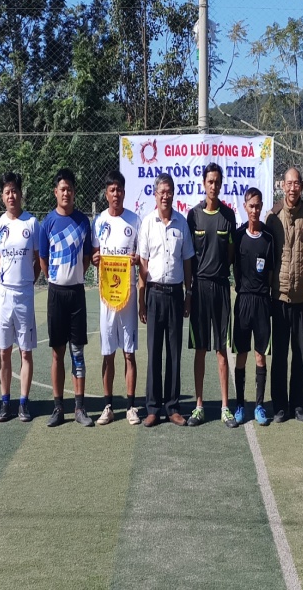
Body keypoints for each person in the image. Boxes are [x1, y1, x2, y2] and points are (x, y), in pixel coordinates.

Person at [138, 173, 193, 427]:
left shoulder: (182, 223)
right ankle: (152, 408)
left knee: (173, 353)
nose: (165, 195)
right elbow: (143, 263)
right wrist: (141, 298)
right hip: (154, 294)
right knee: (154, 354)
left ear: (173, 193)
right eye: (161, 191)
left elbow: (187, 261)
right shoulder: (147, 223)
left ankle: (172, 407)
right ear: (155, 194)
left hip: (175, 295)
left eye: (169, 191)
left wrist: (188, 293)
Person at [40, 168, 94, 427]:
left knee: (78, 352)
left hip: (76, 294)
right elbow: (42, 258)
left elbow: (86, 257)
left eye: (70, 189)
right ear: (55, 192)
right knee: (57, 352)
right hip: (55, 293)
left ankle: (80, 408)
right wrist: (54, 278)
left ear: (74, 192)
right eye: (62, 189)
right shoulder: (47, 222)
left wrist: (75, 276)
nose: (66, 193)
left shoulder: (84, 222)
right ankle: (58, 407)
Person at [265, 166, 303, 423]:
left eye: (297, 183)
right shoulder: (272, 217)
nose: (293, 188)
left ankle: (298, 405)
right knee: (279, 354)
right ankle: (279, 406)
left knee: (299, 352)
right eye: (289, 183)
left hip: (300, 297)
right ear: (282, 185)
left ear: (301, 186)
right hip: (279, 296)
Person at [186, 163, 237, 428]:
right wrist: (190, 290)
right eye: (210, 181)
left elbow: (229, 256)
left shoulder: (228, 217)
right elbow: (188, 257)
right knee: (200, 349)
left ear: (221, 184)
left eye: (217, 182)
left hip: (220, 288)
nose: (214, 186)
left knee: (220, 349)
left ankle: (225, 407)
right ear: (203, 183)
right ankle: (199, 406)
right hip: (199, 289)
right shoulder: (192, 216)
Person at [92, 170, 141, 426]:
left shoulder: (134, 220)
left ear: (124, 192)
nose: (116, 194)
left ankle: (131, 407)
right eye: (112, 190)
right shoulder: (99, 221)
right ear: (106, 193)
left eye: (119, 190)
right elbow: (94, 254)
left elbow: (141, 258)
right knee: (107, 353)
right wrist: (95, 259)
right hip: (107, 298)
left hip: (128, 296)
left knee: (129, 353)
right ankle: (108, 406)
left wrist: (136, 260)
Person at [0, 171, 40, 423]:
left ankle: (23, 402)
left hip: (25, 294)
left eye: (15, 191)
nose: (11, 195)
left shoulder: (32, 223)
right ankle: (4, 402)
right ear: (3, 196)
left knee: (25, 352)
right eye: (7, 191)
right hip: (5, 294)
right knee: (4, 351)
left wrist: (28, 281)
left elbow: (38, 260)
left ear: (21, 193)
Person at [232, 187, 274, 426]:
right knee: (241, 354)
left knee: (260, 356)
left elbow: (269, 272)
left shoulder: (268, 237)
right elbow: (234, 268)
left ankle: (259, 406)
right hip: (243, 301)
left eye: (258, 206)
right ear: (245, 207)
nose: (255, 210)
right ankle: (239, 404)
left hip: (261, 302)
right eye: (251, 206)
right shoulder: (238, 237)